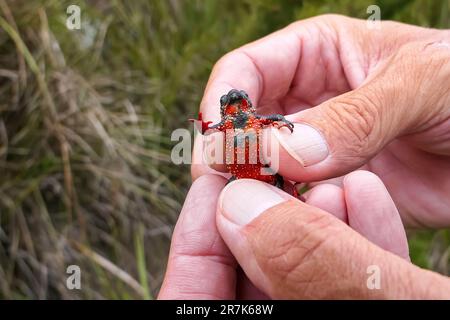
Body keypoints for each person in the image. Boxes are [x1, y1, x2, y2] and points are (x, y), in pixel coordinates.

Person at [159, 15, 450, 299]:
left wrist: (285, 124)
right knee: (233, 190)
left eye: (238, 101)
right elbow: (211, 131)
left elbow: (271, 119)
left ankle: (291, 199)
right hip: (240, 177)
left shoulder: (255, 121)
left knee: (280, 179)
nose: (234, 103)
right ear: (227, 109)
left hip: (266, 172)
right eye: (230, 102)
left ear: (246, 105)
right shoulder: (225, 126)